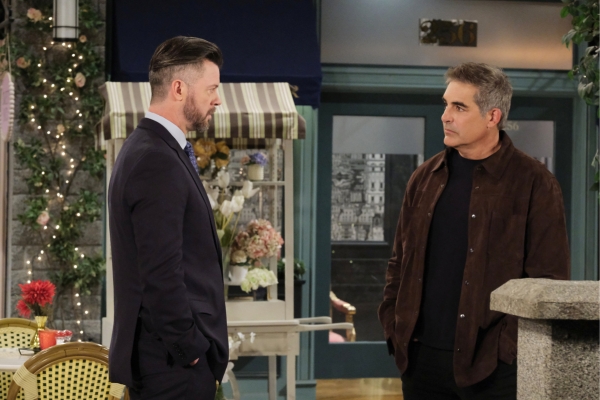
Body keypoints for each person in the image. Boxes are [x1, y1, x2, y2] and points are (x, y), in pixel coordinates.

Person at [378, 62, 570, 400]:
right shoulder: (424, 178)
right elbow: (400, 262)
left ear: (492, 116)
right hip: (421, 360)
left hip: (493, 366)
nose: (445, 116)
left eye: (459, 107)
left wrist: (507, 348)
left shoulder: (534, 182)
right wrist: (394, 326)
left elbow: (548, 282)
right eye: (445, 104)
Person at [108, 36, 228, 400]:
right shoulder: (156, 159)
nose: (218, 99)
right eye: (211, 89)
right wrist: (189, 349)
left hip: (166, 363)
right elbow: (160, 273)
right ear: (178, 88)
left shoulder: (150, 148)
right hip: (172, 368)